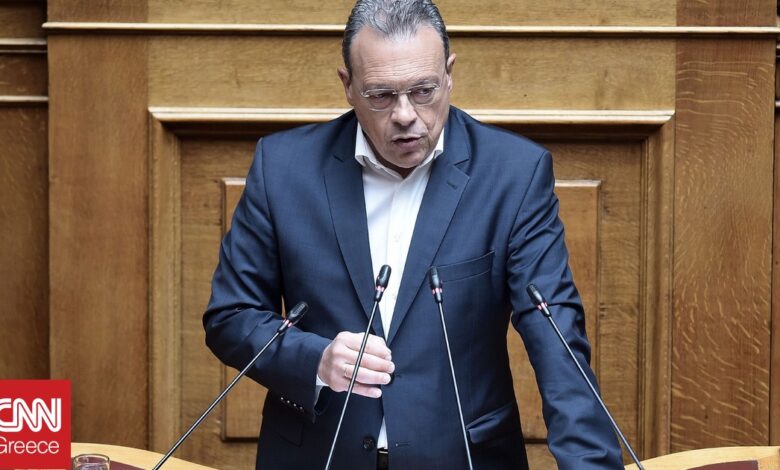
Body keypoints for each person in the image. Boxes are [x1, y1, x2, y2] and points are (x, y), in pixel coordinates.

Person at [203, 0, 623, 468]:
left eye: (423, 91)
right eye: (381, 95)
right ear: (348, 86)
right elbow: (231, 316)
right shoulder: (283, 169)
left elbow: (556, 335)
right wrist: (315, 360)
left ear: (449, 75)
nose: (405, 114)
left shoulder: (514, 175)